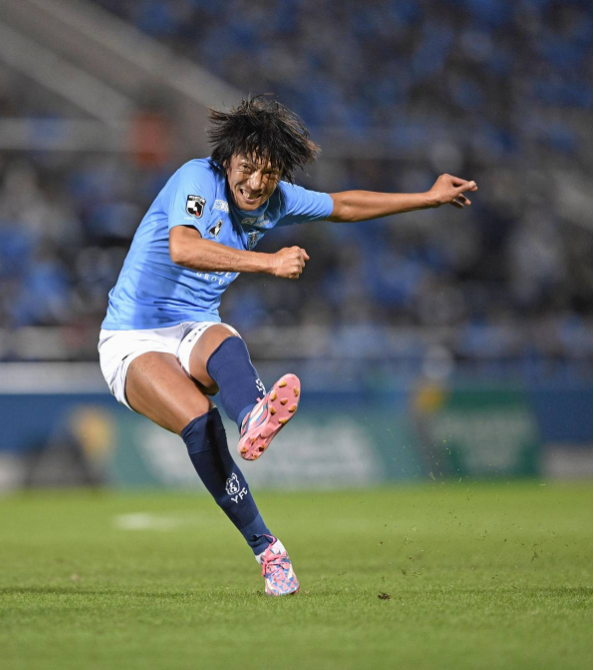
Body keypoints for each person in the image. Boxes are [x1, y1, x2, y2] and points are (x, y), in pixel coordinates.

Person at [98, 96, 478, 596]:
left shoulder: (274, 199)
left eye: (269, 174)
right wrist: (269, 262)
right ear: (228, 158)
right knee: (199, 421)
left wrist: (425, 198)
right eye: (248, 169)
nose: (256, 184)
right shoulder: (197, 180)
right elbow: (183, 247)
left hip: (194, 326)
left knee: (223, 339)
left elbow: (342, 205)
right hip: (131, 335)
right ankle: (267, 549)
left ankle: (255, 415)